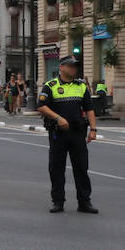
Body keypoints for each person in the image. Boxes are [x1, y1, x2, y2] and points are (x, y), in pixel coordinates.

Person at [37, 56, 98, 214]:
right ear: (62, 67)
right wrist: (58, 118)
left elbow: (89, 108)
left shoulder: (81, 86)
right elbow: (41, 106)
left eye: (75, 66)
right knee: (56, 168)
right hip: (58, 133)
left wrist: (93, 129)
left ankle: (84, 202)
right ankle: (58, 201)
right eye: (70, 66)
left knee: (82, 168)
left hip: (78, 133)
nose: (73, 69)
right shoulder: (50, 86)